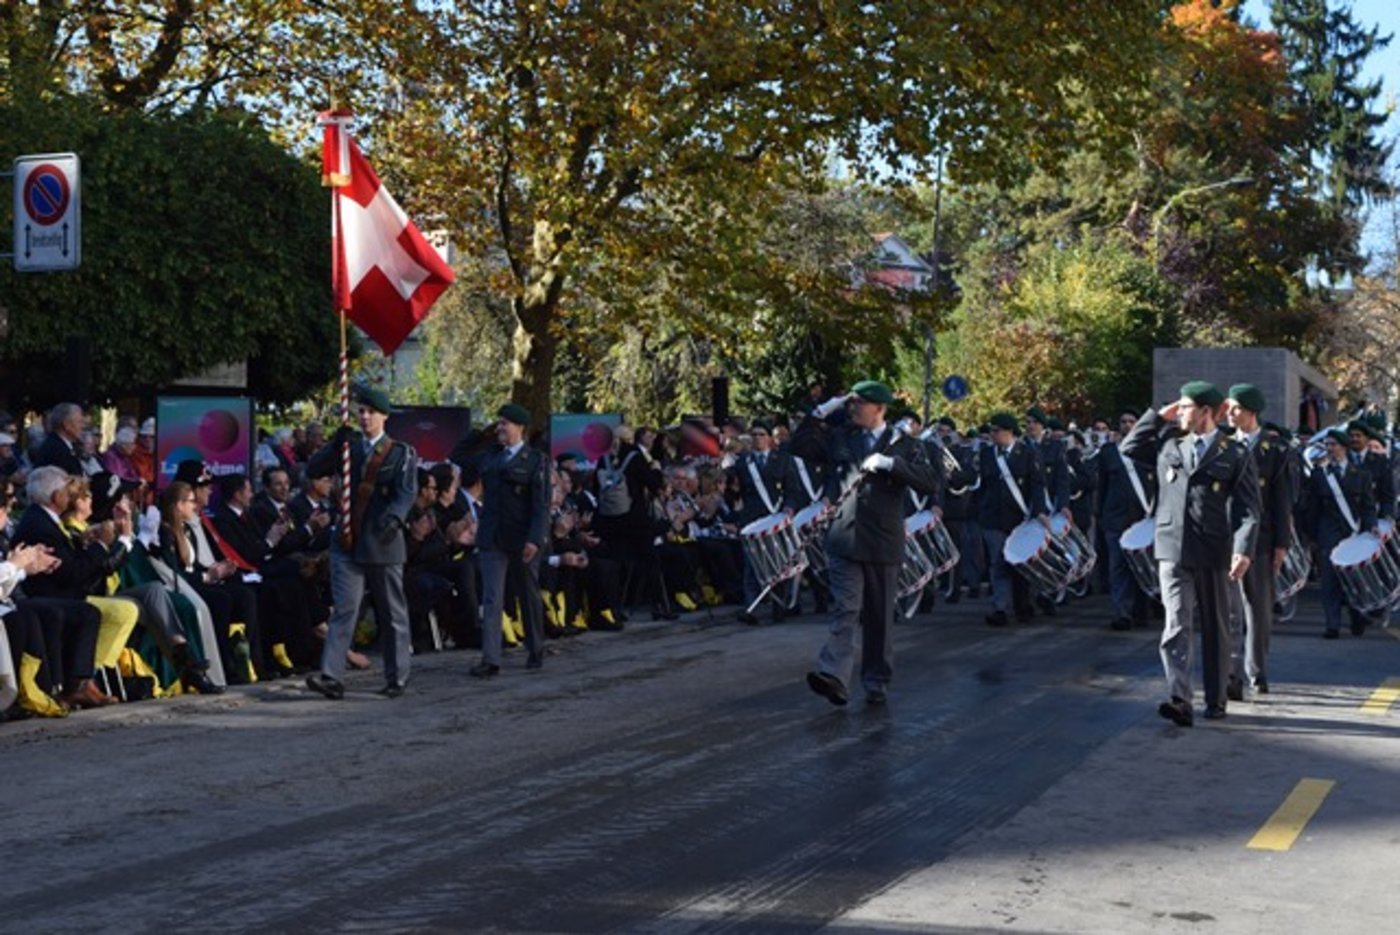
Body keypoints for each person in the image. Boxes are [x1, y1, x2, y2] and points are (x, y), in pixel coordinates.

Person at [1120, 381, 1260, 726]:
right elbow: (1129, 446)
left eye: (1185, 407)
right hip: (1172, 547)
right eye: (1178, 407)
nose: (1179, 411)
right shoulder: (1169, 442)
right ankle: (1180, 697)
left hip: (1214, 550)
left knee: (1216, 627)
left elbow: (1249, 509)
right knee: (1175, 625)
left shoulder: (1234, 452)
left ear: (1206, 412)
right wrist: (1157, 415)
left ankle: (1216, 699)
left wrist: (1243, 550)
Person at [794, 381, 938, 706]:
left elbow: (930, 481)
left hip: (883, 539)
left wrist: (892, 466)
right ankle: (834, 675)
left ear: (880, 409)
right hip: (844, 537)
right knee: (845, 609)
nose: (852, 408)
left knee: (879, 616)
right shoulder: (842, 437)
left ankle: (876, 680)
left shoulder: (903, 444)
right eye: (851, 403)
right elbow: (801, 444)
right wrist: (824, 407)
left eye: (859, 403)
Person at [304, 383, 418, 699]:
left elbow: (406, 493)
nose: (364, 417)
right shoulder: (348, 447)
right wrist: (332, 445)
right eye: (361, 411)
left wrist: (393, 521)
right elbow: (314, 470)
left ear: (384, 416)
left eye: (370, 412)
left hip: (383, 540)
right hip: (348, 540)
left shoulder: (400, 453)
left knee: (391, 612)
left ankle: (397, 677)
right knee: (344, 609)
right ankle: (332, 676)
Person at [470, 403, 551, 678]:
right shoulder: (491, 456)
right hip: (493, 536)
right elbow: (459, 455)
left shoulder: (535, 460)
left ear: (520, 428)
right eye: (499, 423)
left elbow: (541, 505)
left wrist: (535, 539)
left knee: (528, 594)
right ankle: (490, 658)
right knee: (492, 598)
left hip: (521, 537)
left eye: (505, 424)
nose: (500, 428)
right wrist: (481, 434)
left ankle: (535, 647)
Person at [1224, 384, 1293, 698]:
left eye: (1235, 408)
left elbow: (1282, 501)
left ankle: (1256, 671)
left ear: (1250, 412)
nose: (1229, 413)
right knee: (1228, 609)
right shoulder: (1223, 445)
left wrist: (1281, 544)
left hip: (1261, 540)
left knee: (1258, 609)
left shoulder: (1275, 450)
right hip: (1226, 537)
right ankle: (1230, 673)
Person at [1301, 428, 1379, 639]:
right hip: (1328, 533)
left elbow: (1368, 506)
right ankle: (1332, 624)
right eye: (1327, 445)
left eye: (1333, 445)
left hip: (1353, 533)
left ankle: (1357, 615)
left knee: (1354, 580)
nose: (1329, 449)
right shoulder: (1319, 474)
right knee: (1329, 581)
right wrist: (1312, 535)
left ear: (1343, 447)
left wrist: (1370, 525)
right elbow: (1313, 507)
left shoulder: (1361, 474)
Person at [978, 412, 1048, 626]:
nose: (993, 435)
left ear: (1009, 432)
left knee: (1019, 565)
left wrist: (1039, 511)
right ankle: (1000, 608)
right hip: (993, 518)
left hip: (1020, 518)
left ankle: (1023, 605)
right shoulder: (987, 454)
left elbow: (1037, 485)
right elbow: (983, 484)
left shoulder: (1027, 453)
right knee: (998, 563)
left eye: (996, 431)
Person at [1097, 408, 1157, 630]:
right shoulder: (1109, 451)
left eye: (1132, 421)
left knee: (1141, 567)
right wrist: (1101, 515)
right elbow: (1102, 485)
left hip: (1142, 518)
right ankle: (1121, 613)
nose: (1127, 425)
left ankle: (1141, 612)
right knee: (1118, 568)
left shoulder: (1149, 449)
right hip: (1115, 519)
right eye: (1123, 421)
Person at [31, 403, 86, 476]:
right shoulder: (56, 451)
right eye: (79, 422)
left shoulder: (61, 446)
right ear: (66, 425)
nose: (83, 426)